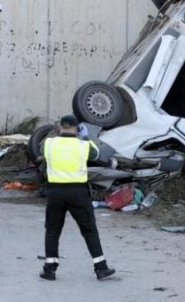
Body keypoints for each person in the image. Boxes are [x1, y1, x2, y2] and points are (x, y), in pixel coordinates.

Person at [39, 114, 116, 281]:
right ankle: (101, 268)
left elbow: (39, 149)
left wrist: (56, 135)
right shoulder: (83, 145)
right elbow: (97, 155)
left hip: (55, 193)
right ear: (76, 128)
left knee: (52, 230)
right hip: (78, 193)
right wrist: (86, 136)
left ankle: (49, 270)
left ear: (60, 127)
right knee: (89, 230)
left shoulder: (49, 143)